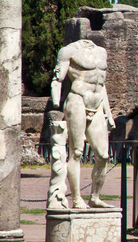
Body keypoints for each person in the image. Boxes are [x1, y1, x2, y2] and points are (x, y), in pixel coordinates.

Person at [48, 39, 116, 209]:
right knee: (76, 152)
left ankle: (95, 197)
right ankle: (77, 199)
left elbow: (102, 84)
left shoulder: (101, 52)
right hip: (77, 100)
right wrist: (56, 102)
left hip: (98, 103)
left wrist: (108, 113)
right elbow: (58, 79)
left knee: (103, 156)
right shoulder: (68, 51)